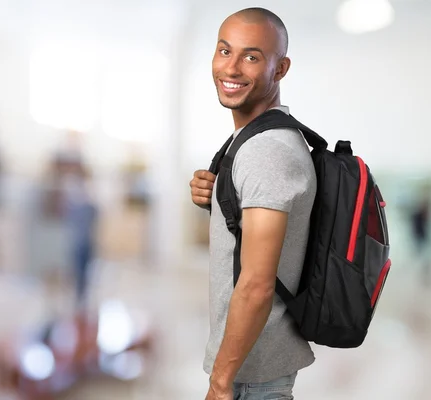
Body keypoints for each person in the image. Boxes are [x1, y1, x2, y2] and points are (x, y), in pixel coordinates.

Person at [189, 8, 317, 400]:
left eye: (251, 56)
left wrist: (221, 382)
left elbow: (258, 285)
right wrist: (216, 199)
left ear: (281, 69)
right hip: (250, 368)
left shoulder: (266, 152)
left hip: (250, 376)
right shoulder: (256, 139)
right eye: (224, 51)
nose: (231, 68)